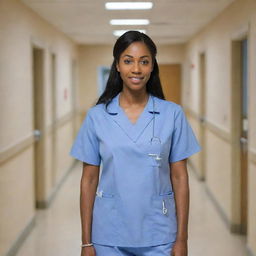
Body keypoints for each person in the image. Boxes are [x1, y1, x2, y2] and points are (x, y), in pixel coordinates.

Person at [70, 30, 201, 256]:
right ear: (118, 66)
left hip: (159, 234)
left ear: (152, 67)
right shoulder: (97, 117)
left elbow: (180, 178)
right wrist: (86, 242)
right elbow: (89, 180)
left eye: (144, 61)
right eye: (128, 61)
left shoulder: (172, 114)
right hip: (109, 235)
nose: (137, 69)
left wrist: (182, 239)